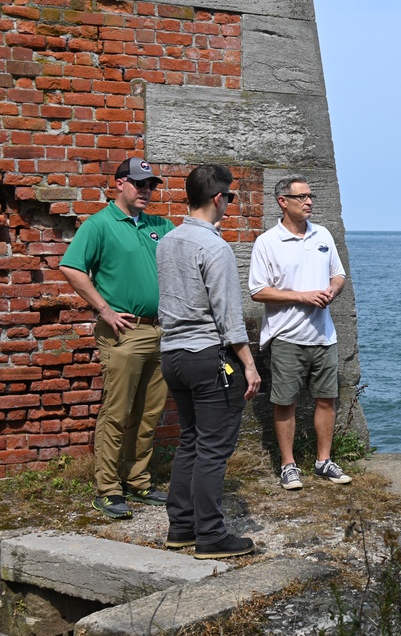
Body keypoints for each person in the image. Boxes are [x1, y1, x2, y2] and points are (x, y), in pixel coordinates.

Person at [156, 164, 262, 560]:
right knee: (213, 449)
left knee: (190, 441)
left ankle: (181, 527)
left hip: (172, 354)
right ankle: (211, 535)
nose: (230, 205)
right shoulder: (215, 247)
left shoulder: (166, 241)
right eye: (230, 197)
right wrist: (249, 364)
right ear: (219, 198)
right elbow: (229, 317)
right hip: (206, 355)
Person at [59, 157, 174, 520]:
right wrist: (104, 310)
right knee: (117, 411)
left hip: (160, 329)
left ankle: (137, 479)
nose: (146, 191)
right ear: (119, 184)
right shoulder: (100, 224)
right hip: (123, 332)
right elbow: (71, 267)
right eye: (139, 184)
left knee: (150, 411)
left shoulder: (161, 225)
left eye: (151, 185)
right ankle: (108, 489)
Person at [248, 175, 352, 490]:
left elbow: (338, 274)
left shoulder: (323, 235)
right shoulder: (267, 242)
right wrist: (302, 296)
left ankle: (323, 461)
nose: (309, 202)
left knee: (326, 399)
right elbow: (258, 290)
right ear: (283, 201)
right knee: (285, 402)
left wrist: (333, 289)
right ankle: (288, 464)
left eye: (311, 196)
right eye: (302, 197)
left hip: (324, 334)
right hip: (286, 336)